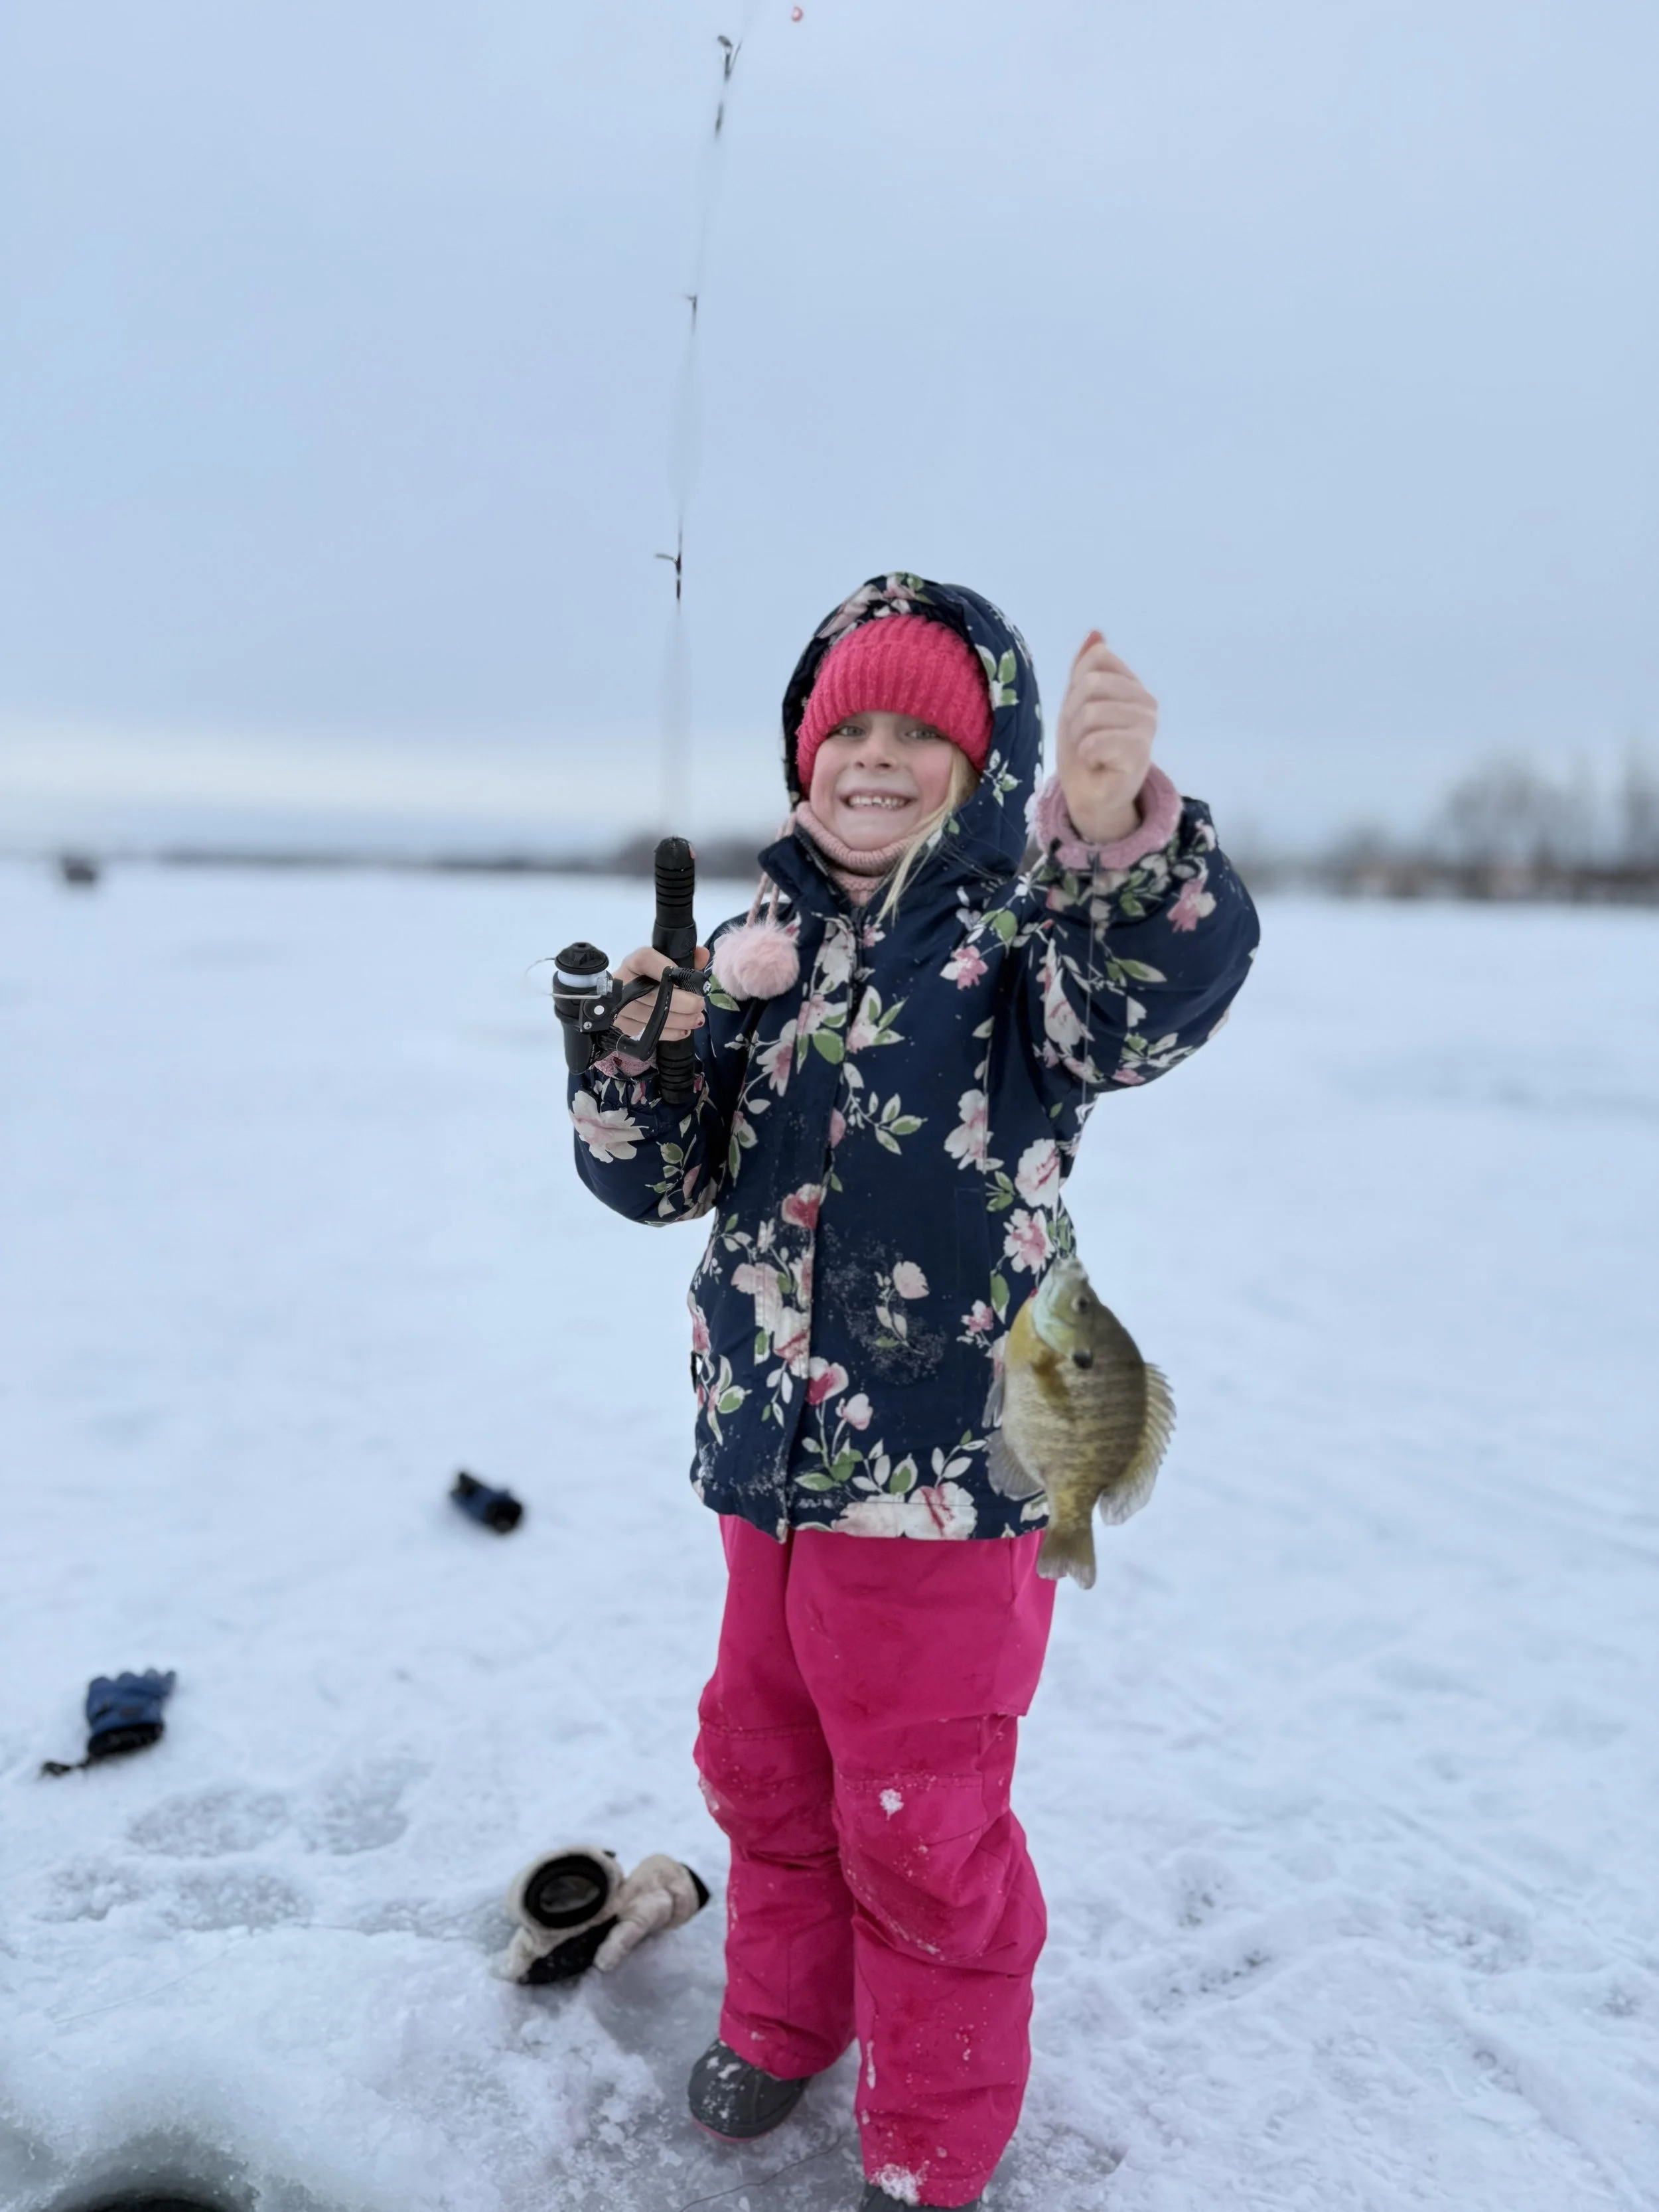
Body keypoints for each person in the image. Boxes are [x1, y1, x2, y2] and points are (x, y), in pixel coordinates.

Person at [565, 573, 1259, 2209]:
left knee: (916, 1811)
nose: (873, 755)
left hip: (948, 1484)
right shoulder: (756, 952)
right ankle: (781, 2015)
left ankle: (933, 2127)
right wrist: (637, 1051)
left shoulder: (1020, 948)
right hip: (767, 1466)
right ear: (802, 757)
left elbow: (1150, 996)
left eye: (918, 731)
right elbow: (653, 1181)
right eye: (846, 726)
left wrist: (1114, 838)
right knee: (763, 1762)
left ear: (984, 763)